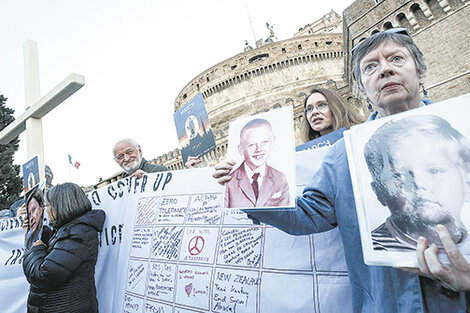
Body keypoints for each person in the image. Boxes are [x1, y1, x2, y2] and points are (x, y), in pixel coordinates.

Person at [214, 28, 469, 312]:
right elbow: (308, 215)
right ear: (360, 89)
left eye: (396, 59)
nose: (385, 70)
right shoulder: (343, 155)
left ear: (420, 72)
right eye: (370, 67)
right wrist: (250, 185)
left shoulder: (464, 133)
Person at [365, 114, 470, 251]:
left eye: (435, 171)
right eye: (399, 176)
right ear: (379, 192)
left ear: (467, 182)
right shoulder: (372, 250)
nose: (419, 183)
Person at [23, 183, 105, 313]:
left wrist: (35, 250)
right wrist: (35, 230)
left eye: (48, 206)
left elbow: (43, 275)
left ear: (61, 206)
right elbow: (58, 248)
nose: (46, 211)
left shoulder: (78, 234)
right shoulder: (71, 230)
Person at [225, 118, 289, 208]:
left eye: (264, 142)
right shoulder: (229, 183)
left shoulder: (280, 178)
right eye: (251, 144)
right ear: (241, 149)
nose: (259, 149)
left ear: (272, 142)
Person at [301, 87, 365, 143]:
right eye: (309, 109)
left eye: (321, 105)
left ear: (336, 107)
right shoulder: (309, 152)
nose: (314, 112)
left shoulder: (361, 134)